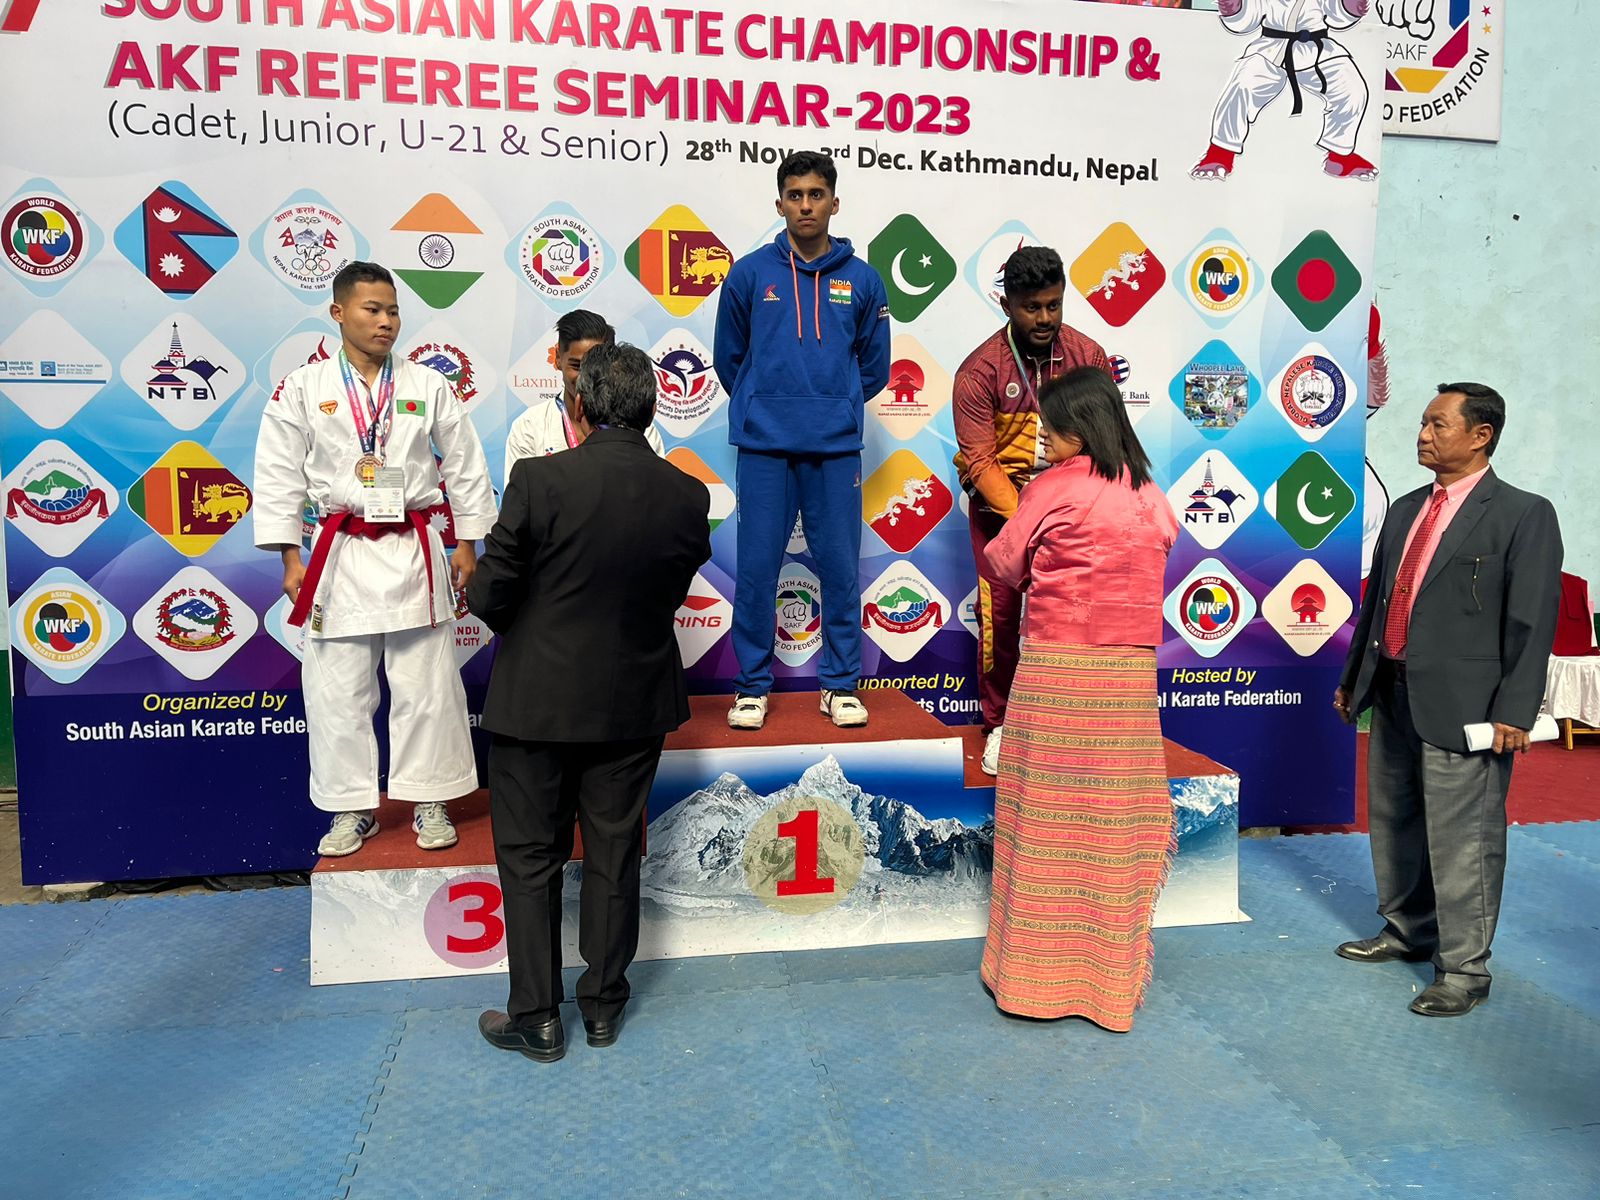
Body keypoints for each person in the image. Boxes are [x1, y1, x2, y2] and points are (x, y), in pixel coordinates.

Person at [468, 342, 711, 1062]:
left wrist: (535, 630)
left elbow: (488, 593)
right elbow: (669, 592)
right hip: (633, 699)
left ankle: (537, 1018)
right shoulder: (687, 494)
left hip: (536, 702)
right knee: (614, 852)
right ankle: (604, 1007)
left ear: (578, 404)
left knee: (529, 858)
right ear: (653, 409)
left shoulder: (538, 480)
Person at [253, 261, 496, 858]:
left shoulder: (426, 384)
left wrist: (468, 541)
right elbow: (279, 473)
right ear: (338, 313)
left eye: (393, 311)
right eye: (372, 309)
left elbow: (464, 462)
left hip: (413, 549)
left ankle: (430, 799)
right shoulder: (303, 387)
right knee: (337, 690)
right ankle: (350, 807)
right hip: (338, 553)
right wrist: (289, 556)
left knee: (427, 685)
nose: (386, 321)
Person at [1334, 383, 1562, 1017]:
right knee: (1396, 821)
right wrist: (1355, 680)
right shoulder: (1407, 508)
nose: (1423, 435)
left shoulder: (1523, 514)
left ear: (1481, 435)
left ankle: (1464, 970)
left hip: (1470, 707)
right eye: (1423, 423)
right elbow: (1378, 603)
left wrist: (1515, 709)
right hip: (1394, 690)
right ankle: (1408, 929)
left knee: (1465, 841)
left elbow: (1531, 620)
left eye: (1438, 424)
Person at [979, 367, 1178, 1031]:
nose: (1043, 435)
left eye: (1050, 425)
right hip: (1128, 681)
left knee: (1045, 819)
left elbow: (1003, 564)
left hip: (1058, 672)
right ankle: (1104, 987)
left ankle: (1031, 982)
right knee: (1111, 824)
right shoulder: (1150, 493)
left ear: (1077, 429)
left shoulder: (1052, 486)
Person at [713, 150, 890, 731]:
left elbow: (875, 367)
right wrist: (763, 402)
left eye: (816, 194)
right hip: (764, 445)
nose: (806, 205)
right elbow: (729, 359)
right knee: (757, 571)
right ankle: (751, 688)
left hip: (834, 448)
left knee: (839, 569)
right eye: (795, 195)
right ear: (780, 203)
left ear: (835, 203)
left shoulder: (863, 279)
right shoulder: (749, 274)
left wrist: (835, 403)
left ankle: (839, 685)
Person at [952, 247, 1110, 775]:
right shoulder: (979, 371)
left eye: (1053, 305)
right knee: (1000, 619)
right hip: (1000, 514)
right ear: (1006, 305)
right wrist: (1030, 518)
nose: (1044, 318)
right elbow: (979, 461)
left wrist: (1071, 511)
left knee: (1073, 618)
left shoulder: (1088, 357)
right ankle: (1000, 726)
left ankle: (1068, 724)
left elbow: (1104, 442)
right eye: (1031, 307)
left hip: (1074, 514)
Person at [1191, 0, 1378, 182]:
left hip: (1318, 50)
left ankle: (1340, 156)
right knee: (1242, 85)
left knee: (1352, 88)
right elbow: (1247, 19)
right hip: (1271, 49)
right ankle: (1220, 152)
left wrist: (1351, 5)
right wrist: (1234, 7)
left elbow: (1338, 16)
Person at [503, 309, 664, 477]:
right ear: (558, 358)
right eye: (576, 366)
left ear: (614, 362)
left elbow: (653, 486)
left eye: (595, 367)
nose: (584, 378)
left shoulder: (639, 431)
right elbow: (522, 491)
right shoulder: (529, 427)